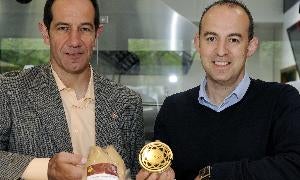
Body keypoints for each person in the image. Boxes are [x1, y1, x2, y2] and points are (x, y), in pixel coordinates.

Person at [151, 0, 300, 180]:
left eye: (234, 39)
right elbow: (161, 167)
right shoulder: (173, 109)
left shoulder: (282, 100)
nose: (221, 51)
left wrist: (213, 175)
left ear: (251, 46)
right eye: (211, 38)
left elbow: (294, 166)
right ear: (198, 43)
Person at [0, 0, 144, 179]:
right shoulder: (8, 91)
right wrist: (47, 168)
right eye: (63, 28)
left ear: (97, 34)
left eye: (84, 29)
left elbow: (138, 171)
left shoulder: (127, 102)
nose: (74, 41)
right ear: (45, 33)